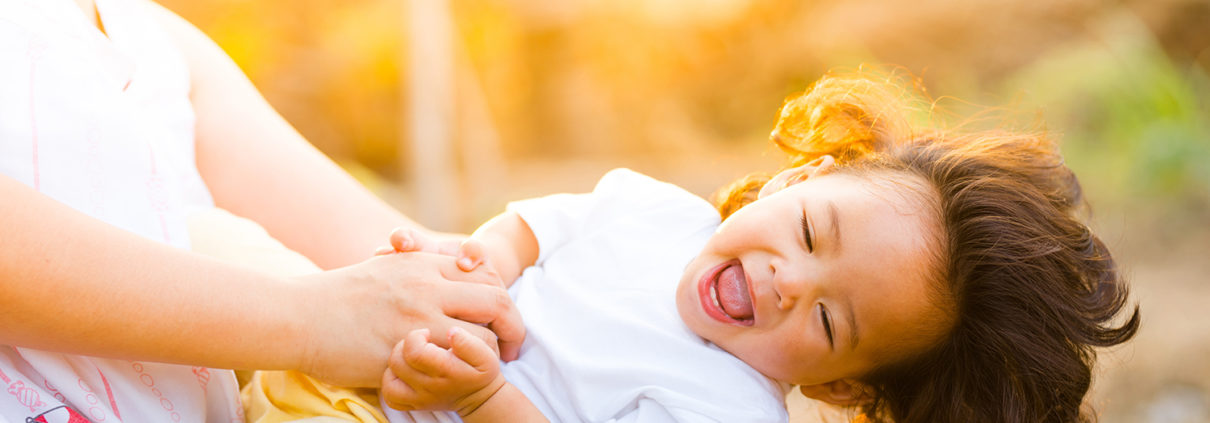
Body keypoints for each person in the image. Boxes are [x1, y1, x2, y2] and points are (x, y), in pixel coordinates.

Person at [367, 71, 1141, 422]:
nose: (787, 282)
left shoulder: (724, 407)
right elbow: (536, 226)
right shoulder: (654, 208)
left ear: (839, 386)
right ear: (795, 178)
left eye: (832, 322)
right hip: (368, 350)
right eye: (809, 231)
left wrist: (482, 397)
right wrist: (480, 268)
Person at [0, 0, 522, 421]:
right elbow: (348, 310)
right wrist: (320, 319)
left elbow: (393, 255)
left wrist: (498, 263)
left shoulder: (152, 40)